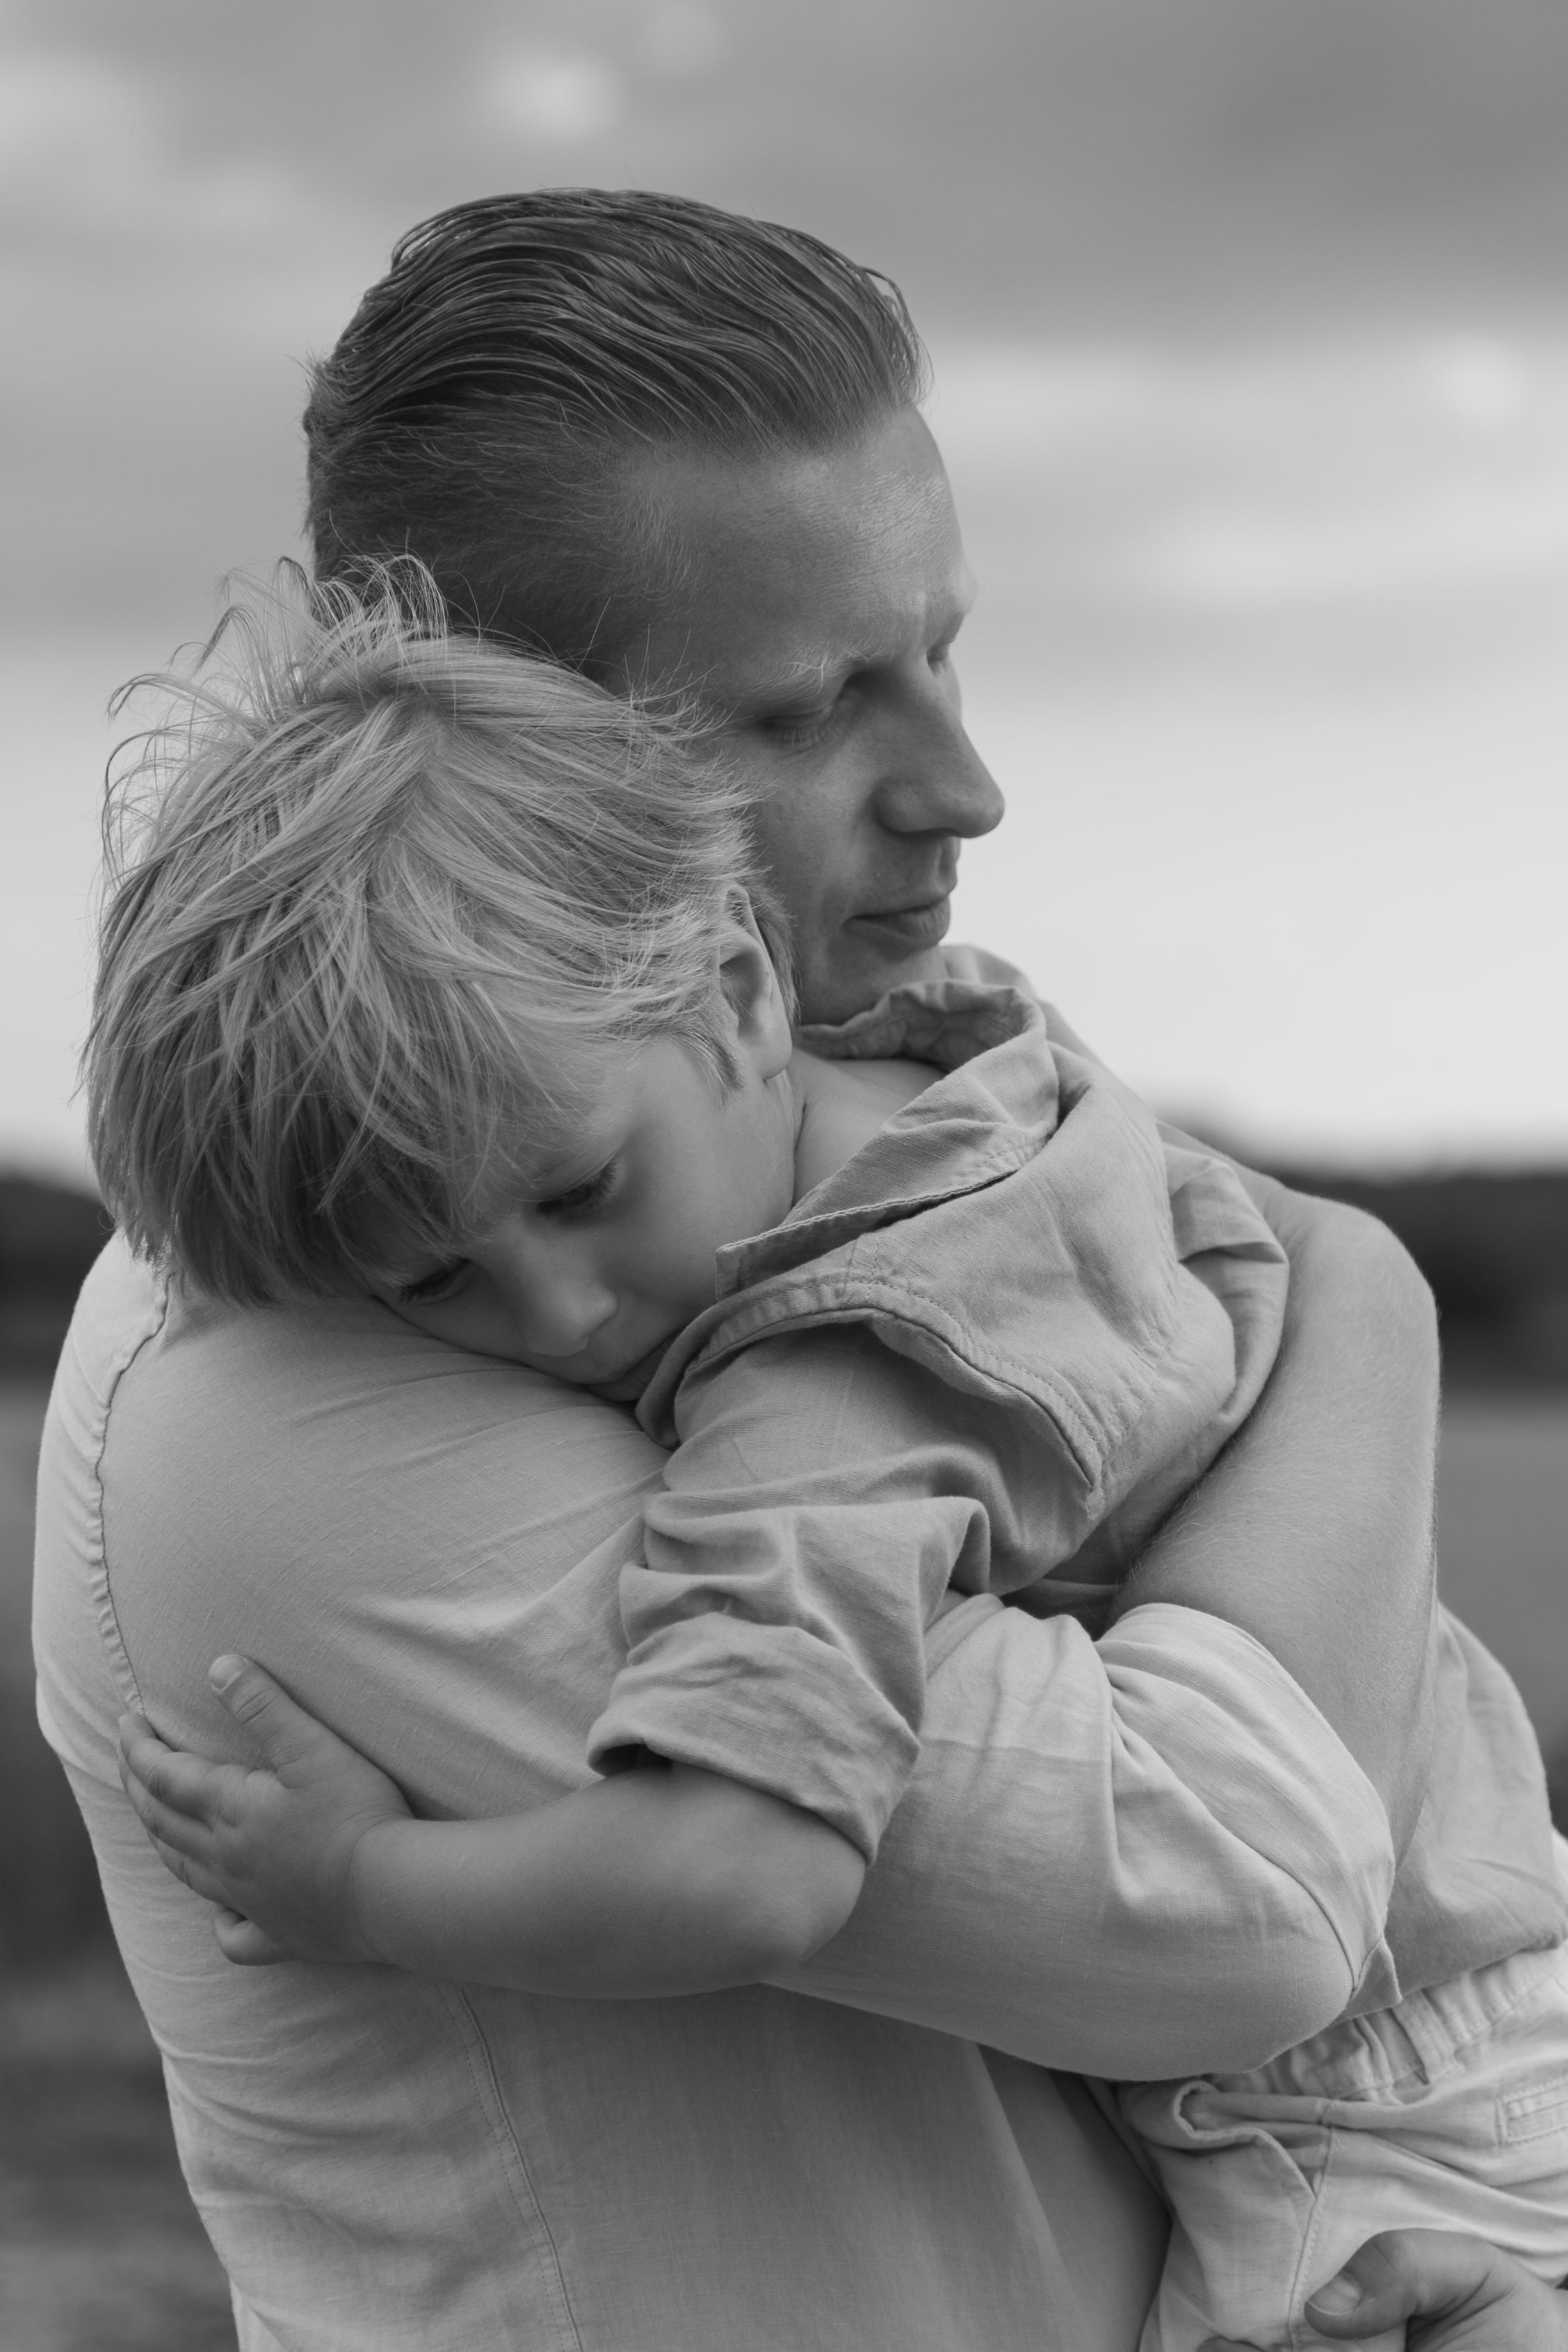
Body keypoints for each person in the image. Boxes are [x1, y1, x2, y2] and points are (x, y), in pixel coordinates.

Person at [26, 188, 1538, 2351]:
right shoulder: (283, 1393)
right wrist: (1362, 1306)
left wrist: (1343, 1285)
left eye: (943, 649)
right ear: (504, 740)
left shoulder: (854, 1148)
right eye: (806, 707)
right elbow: (1247, 1889)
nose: (969, 788)